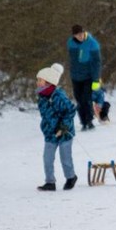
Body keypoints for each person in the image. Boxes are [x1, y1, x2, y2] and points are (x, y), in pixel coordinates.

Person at [34, 63, 78, 191]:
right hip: (50, 132)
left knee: (65, 158)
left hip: (64, 132)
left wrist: (64, 126)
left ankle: (71, 177)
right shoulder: (42, 96)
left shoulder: (59, 96)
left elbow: (70, 111)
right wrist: (47, 127)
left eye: (40, 80)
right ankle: (50, 182)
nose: (37, 82)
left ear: (48, 82)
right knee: (47, 158)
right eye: (38, 80)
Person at [67, 24, 102, 132]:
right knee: (79, 99)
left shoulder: (92, 43)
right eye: (78, 35)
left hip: (89, 76)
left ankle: (89, 121)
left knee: (86, 99)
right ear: (74, 35)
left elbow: (97, 62)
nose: (80, 36)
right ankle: (83, 122)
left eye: (81, 33)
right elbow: (73, 60)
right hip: (76, 76)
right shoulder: (71, 43)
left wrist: (96, 78)